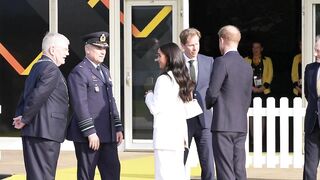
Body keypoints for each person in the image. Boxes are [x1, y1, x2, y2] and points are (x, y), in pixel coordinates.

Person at [13, 32, 70, 180]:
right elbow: (37, 96)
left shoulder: (37, 67)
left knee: (36, 175)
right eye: (65, 49)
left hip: (36, 131)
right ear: (52, 50)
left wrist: (22, 116)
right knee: (43, 176)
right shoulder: (51, 69)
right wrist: (24, 118)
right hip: (44, 133)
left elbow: (26, 95)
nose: (67, 53)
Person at [67, 31, 123, 180]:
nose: (102, 52)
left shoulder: (104, 71)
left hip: (108, 134)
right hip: (89, 136)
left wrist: (118, 127)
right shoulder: (79, 72)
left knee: (113, 172)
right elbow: (80, 105)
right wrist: (90, 132)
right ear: (87, 49)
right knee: (87, 174)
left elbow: (110, 101)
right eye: (98, 48)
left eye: (104, 48)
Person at [205, 25, 252, 180]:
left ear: (222, 40)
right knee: (239, 169)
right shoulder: (247, 66)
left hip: (223, 124)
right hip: (240, 125)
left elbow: (212, 92)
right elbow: (247, 96)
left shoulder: (221, 62)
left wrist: (208, 103)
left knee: (225, 171)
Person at [145, 42, 195, 180]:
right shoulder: (183, 78)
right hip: (178, 137)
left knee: (164, 175)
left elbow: (155, 107)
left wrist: (148, 95)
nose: (157, 59)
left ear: (169, 57)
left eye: (159, 55)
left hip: (165, 138)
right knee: (178, 175)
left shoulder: (164, 79)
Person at [179, 28, 215, 180]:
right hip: (182, 120)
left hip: (204, 119)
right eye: (191, 45)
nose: (195, 48)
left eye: (197, 44)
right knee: (179, 162)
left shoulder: (209, 61)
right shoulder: (175, 63)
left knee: (208, 164)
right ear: (182, 46)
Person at [245, 41, 273, 152]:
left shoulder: (267, 60)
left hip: (264, 91)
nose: (255, 49)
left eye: (258, 47)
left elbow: (270, 74)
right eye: (253, 47)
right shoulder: (246, 60)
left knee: (263, 116)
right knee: (250, 116)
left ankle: (261, 138)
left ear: (261, 48)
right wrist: (252, 88)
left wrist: (263, 87)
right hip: (250, 91)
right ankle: (252, 139)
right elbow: (243, 75)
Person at [303, 35, 320, 179]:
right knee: (310, 163)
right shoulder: (310, 68)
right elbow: (308, 94)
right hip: (312, 121)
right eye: (315, 50)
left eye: (318, 51)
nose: (315, 54)